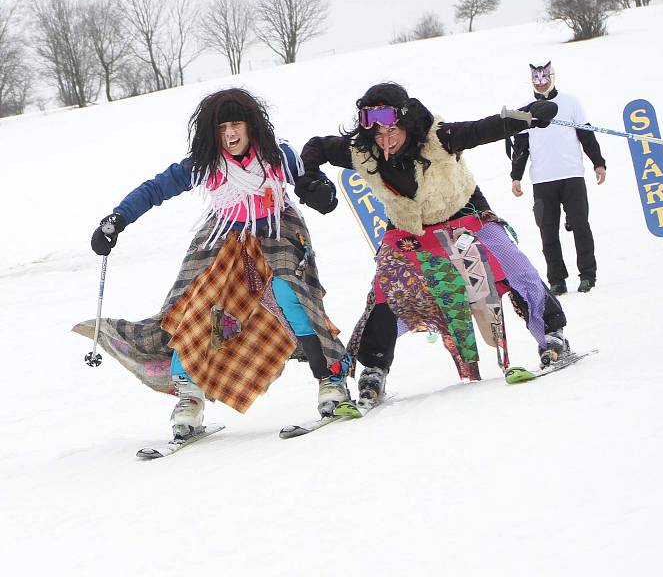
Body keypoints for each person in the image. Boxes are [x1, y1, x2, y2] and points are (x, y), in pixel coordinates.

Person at [73, 88, 352, 439]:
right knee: (194, 305)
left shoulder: (278, 155)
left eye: (236, 125)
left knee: (290, 294)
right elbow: (155, 189)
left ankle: (331, 379)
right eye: (221, 128)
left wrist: (319, 192)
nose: (230, 135)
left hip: (276, 232)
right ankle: (189, 396)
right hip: (224, 237)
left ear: (251, 125)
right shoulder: (205, 164)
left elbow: (306, 181)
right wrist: (117, 219)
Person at [299, 82, 569, 405]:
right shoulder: (362, 150)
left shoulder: (439, 138)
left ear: (407, 124)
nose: (385, 142)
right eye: (378, 136)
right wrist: (310, 178)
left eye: (392, 133)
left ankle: (552, 335)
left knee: (510, 262)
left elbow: (485, 129)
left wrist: (528, 117)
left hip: (463, 210)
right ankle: (374, 369)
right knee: (386, 286)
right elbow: (315, 146)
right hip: (409, 228)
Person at [509, 61, 606, 295]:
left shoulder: (570, 102)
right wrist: (516, 176)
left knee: (581, 224)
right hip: (542, 180)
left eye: (545, 78)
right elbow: (521, 146)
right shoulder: (524, 109)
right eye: (536, 79)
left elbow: (586, 134)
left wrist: (598, 162)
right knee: (548, 231)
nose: (541, 83)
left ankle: (587, 275)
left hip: (571, 175)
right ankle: (557, 280)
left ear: (553, 77)